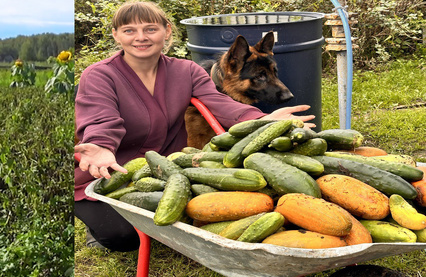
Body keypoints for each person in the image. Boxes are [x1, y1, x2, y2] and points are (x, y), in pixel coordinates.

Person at [74, 0, 315, 252]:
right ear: (116, 35)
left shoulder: (186, 70)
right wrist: (101, 145)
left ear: (166, 31)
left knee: (197, 213)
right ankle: (95, 225)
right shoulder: (99, 75)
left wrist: (261, 120)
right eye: (129, 30)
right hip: (106, 170)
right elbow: (101, 118)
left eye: (150, 29)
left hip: (165, 170)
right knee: (123, 238)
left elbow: (220, 102)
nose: (141, 37)